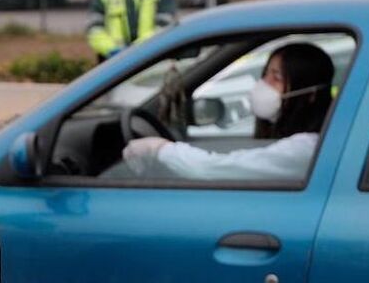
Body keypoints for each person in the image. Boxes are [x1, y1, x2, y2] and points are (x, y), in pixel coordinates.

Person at [123, 42, 335, 180]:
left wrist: (160, 148)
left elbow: (214, 169)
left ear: (310, 94)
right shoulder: (297, 142)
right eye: (265, 74)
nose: (264, 84)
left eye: (276, 78)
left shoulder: (307, 149)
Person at [87, 0, 176, 62]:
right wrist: (111, 50)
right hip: (113, 63)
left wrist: (135, 51)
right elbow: (94, 28)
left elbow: (164, 26)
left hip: (151, 61)